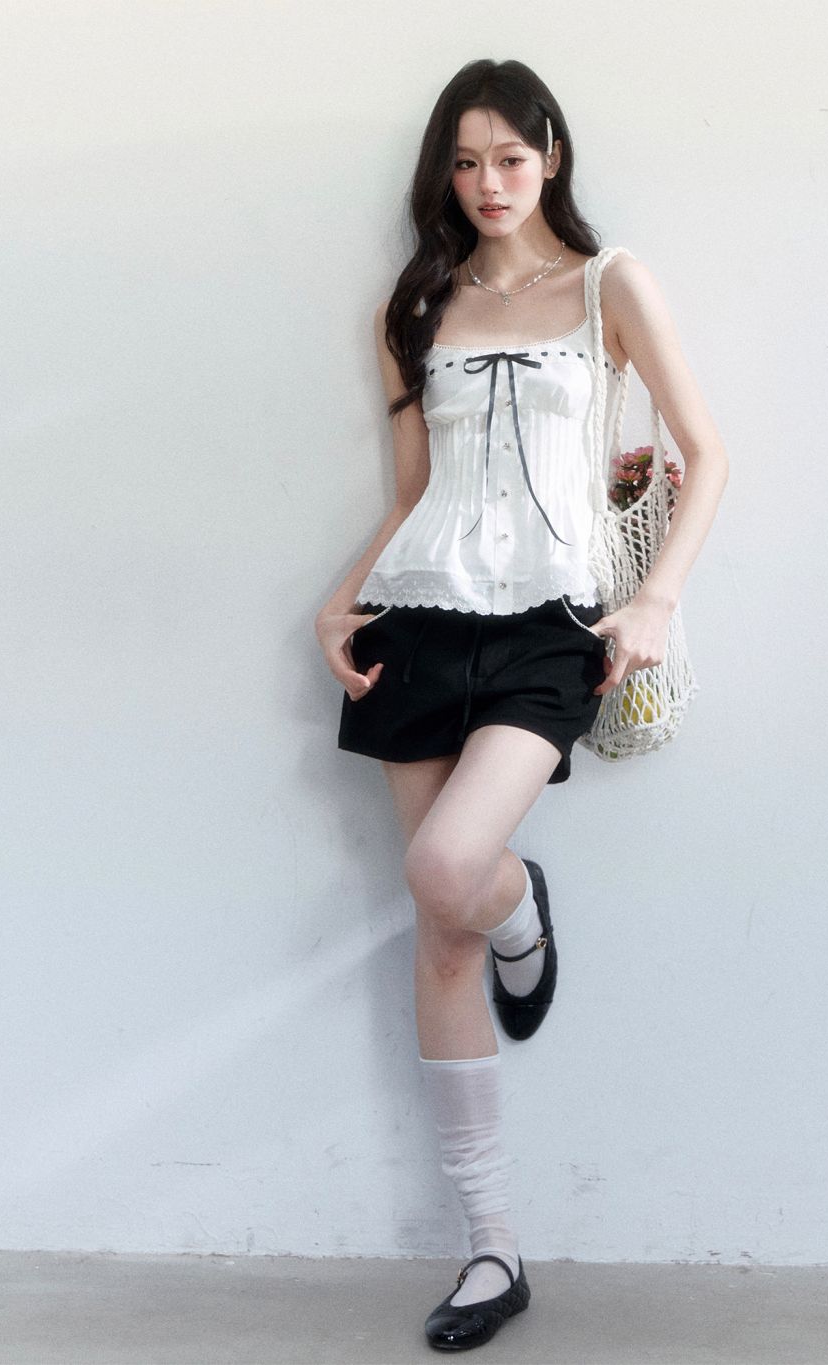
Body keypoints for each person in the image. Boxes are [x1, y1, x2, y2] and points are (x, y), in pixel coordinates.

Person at [314, 57, 729, 1352]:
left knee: (451, 868)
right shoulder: (413, 306)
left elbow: (711, 453)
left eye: (507, 157)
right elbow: (411, 490)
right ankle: (491, 1249)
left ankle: (516, 903)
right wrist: (341, 600)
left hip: (552, 622)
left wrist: (653, 600)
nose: (487, 183)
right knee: (438, 929)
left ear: (550, 154)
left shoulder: (611, 286)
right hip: (417, 611)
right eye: (464, 162)